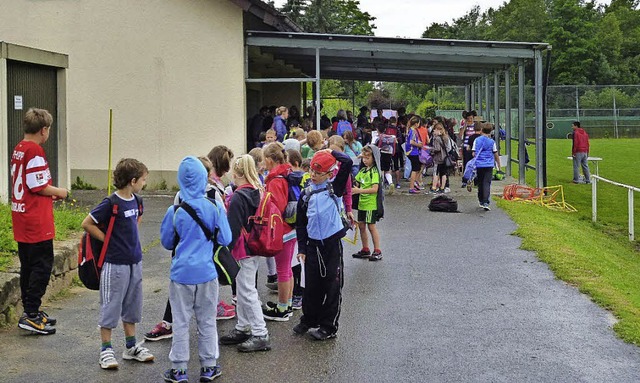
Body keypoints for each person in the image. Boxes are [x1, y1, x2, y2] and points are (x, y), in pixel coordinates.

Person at [159, 156, 232, 382]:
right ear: (204, 178)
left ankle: (179, 370)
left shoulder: (175, 210)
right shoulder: (214, 206)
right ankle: (209, 366)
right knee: (207, 320)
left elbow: (167, 242)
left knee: (180, 322)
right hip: (207, 272)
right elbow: (226, 238)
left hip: (181, 274)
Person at [81, 158, 153, 370]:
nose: (144, 183)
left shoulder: (137, 201)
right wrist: (109, 240)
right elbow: (87, 223)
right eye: (143, 180)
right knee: (110, 306)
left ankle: (130, 347)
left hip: (134, 262)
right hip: (115, 264)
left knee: (132, 305)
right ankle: (106, 350)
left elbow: (136, 220)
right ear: (132, 181)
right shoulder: (111, 203)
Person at [11, 108, 68, 335]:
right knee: (42, 267)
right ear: (44, 130)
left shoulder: (19, 148)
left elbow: (29, 184)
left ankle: (30, 309)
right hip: (36, 221)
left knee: (28, 266)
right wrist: (61, 191)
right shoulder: (35, 151)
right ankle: (31, 313)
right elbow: (38, 186)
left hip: (22, 217)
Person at [293, 149, 353, 340]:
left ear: (329, 174)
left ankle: (329, 326)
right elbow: (300, 224)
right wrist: (302, 248)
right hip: (312, 246)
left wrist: (329, 151)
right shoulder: (306, 194)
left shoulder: (334, 188)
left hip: (332, 244)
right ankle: (310, 319)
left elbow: (348, 162)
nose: (314, 176)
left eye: (319, 173)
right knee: (311, 286)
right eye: (312, 171)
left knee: (332, 285)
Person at [219, 155, 272, 353]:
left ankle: (260, 332)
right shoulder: (257, 191)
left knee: (247, 290)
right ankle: (243, 326)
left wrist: (224, 249)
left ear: (236, 172)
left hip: (241, 248)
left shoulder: (238, 196)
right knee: (243, 289)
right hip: (254, 245)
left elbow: (231, 229)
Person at [262, 142, 296, 321]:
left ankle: (282, 308)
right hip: (290, 228)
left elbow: (277, 207)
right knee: (287, 268)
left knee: (282, 269)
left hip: (281, 230)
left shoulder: (275, 180)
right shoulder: (286, 174)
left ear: (269, 160)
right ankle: (287, 303)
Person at [352, 145, 384, 261]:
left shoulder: (374, 172)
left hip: (371, 204)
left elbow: (375, 189)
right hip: (362, 204)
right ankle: (365, 249)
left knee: (371, 226)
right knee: (361, 226)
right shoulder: (363, 171)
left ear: (374, 158)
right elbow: (356, 181)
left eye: (367, 158)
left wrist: (359, 190)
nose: (365, 160)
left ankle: (377, 250)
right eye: (363, 158)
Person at [472, 125, 502, 211]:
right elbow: (495, 153)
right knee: (487, 183)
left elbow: (474, 153)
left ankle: (481, 199)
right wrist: (498, 165)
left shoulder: (477, 140)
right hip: (489, 164)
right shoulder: (492, 142)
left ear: (481, 130)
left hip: (479, 164)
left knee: (480, 182)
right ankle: (486, 201)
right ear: (490, 132)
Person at [405, 116, 428, 194]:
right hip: (413, 152)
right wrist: (419, 145)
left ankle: (415, 183)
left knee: (417, 168)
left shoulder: (409, 130)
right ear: (416, 124)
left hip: (410, 152)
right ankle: (412, 186)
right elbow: (411, 142)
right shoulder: (413, 131)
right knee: (415, 170)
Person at [429, 123, 451, 194]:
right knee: (443, 173)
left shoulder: (437, 138)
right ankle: (442, 188)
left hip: (438, 158)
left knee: (436, 173)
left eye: (434, 129)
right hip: (445, 158)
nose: (433, 131)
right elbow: (448, 148)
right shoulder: (446, 137)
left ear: (438, 130)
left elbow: (437, 149)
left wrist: (431, 150)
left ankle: (434, 187)